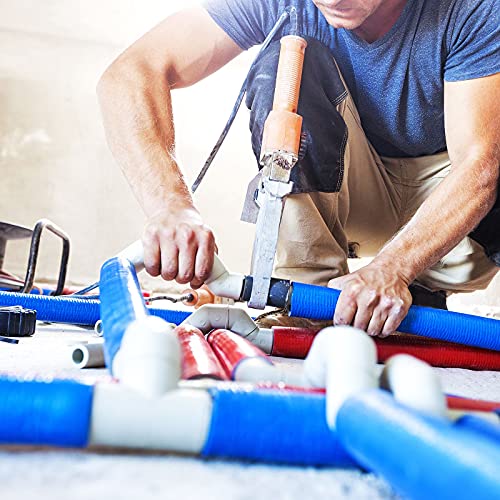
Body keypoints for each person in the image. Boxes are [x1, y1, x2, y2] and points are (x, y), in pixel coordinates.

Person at [97, 0, 499, 337]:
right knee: (288, 66)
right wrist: (171, 206)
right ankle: (309, 300)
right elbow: (131, 73)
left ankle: (416, 285)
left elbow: (480, 164)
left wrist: (395, 268)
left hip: (463, 217)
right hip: (356, 195)